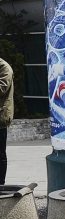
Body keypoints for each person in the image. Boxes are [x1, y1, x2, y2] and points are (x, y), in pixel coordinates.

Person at [0, 56, 13, 185]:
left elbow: (2, 88)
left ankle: (1, 184)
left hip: (0, 117)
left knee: (0, 154)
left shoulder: (4, 68)